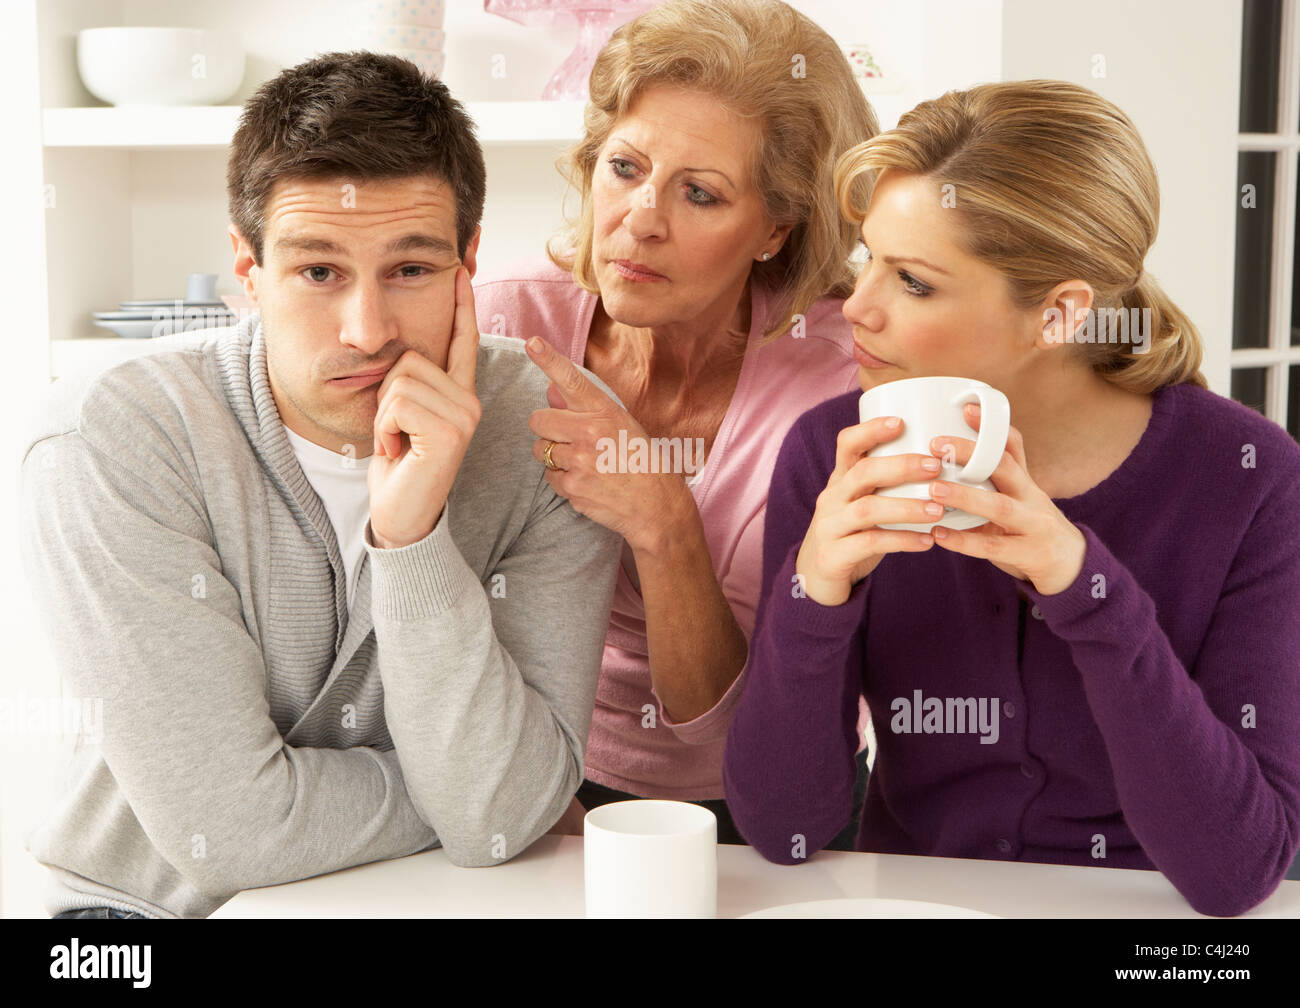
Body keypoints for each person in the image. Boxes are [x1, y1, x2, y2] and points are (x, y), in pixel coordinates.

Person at [19, 51, 621, 919]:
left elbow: (497, 818)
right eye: (318, 271)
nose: (367, 330)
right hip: (145, 918)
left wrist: (412, 543)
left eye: (411, 270)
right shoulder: (109, 437)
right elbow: (232, 832)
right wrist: (466, 799)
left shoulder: (553, 426)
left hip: (432, 900)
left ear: (469, 261)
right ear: (247, 266)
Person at [723, 80, 1300, 917]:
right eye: (868, 261)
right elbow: (786, 831)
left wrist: (1083, 586)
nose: (859, 309)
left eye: (914, 282)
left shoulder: (1249, 479)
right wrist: (816, 591)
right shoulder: (833, 454)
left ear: (1060, 315)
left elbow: (1236, 871)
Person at [472, 0, 879, 843]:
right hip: (531, 776)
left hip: (761, 805)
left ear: (776, 226)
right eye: (625, 168)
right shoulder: (502, 322)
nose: (642, 218)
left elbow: (720, 728)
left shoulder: (838, 386)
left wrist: (664, 520)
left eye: (700, 193)